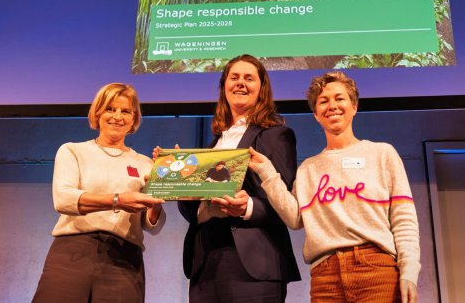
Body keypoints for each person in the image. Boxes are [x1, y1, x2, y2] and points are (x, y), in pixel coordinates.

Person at [249, 72, 420, 303]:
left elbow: (404, 220)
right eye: (323, 101)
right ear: (316, 115)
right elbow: (295, 218)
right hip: (325, 277)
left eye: (339, 98)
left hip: (376, 270)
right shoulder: (308, 168)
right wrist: (267, 173)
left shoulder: (382, 154)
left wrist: (409, 272)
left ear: (354, 106)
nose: (332, 106)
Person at [177, 54, 301, 302]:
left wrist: (247, 207)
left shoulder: (276, 135)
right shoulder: (214, 144)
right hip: (206, 261)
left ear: (261, 88)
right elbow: (193, 210)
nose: (240, 83)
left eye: (249, 78)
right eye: (234, 77)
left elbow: (284, 203)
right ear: (224, 86)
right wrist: (178, 179)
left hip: (253, 264)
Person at [32, 83, 165, 303]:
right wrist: (117, 200)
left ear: (134, 119)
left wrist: (157, 200)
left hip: (124, 257)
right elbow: (64, 199)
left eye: (125, 111)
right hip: (72, 251)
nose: (117, 116)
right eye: (110, 109)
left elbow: (153, 226)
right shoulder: (73, 150)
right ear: (97, 112)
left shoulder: (145, 163)